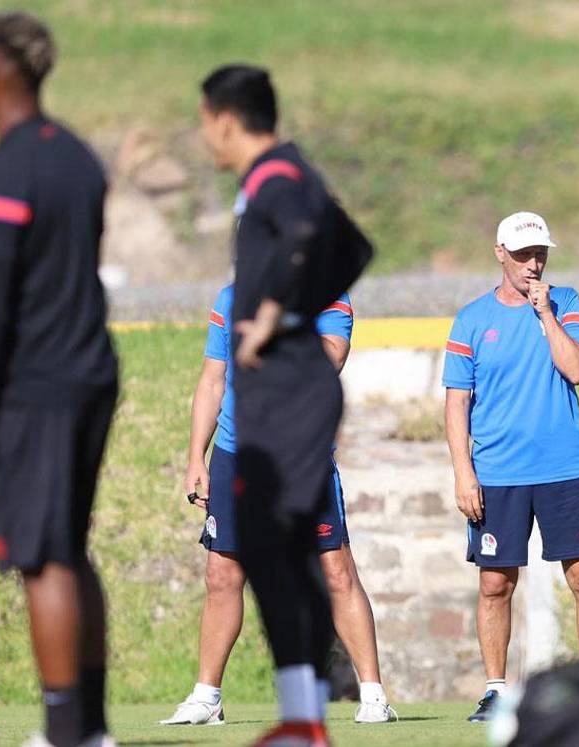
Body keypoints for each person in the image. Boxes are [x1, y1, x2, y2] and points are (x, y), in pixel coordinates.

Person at [0, 12, 120, 747]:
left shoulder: (6, 174)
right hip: (92, 370)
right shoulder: (79, 159)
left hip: (38, 385)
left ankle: (64, 732)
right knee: (70, 550)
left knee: (42, 558)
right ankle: (93, 727)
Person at [196, 64, 371, 747]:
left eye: (204, 121)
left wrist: (274, 315)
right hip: (286, 396)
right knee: (277, 553)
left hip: (290, 396)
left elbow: (304, 233)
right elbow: (353, 248)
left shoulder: (274, 177)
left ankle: (308, 719)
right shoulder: (289, 173)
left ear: (226, 120)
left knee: (284, 551)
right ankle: (303, 717)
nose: (204, 135)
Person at [159, 288, 395, 726]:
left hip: (300, 455)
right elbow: (212, 379)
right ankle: (207, 697)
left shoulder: (327, 292)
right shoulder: (230, 298)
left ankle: (374, 695)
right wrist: (195, 456)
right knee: (221, 573)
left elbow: (330, 359)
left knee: (336, 571)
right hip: (237, 454)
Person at [443, 211, 579, 723]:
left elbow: (576, 369)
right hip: (498, 473)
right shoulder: (472, 319)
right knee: (495, 584)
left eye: (539, 255)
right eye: (522, 255)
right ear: (500, 254)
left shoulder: (567, 303)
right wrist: (463, 472)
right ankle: (496, 690)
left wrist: (546, 315)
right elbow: (456, 402)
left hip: (564, 469)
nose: (532, 265)